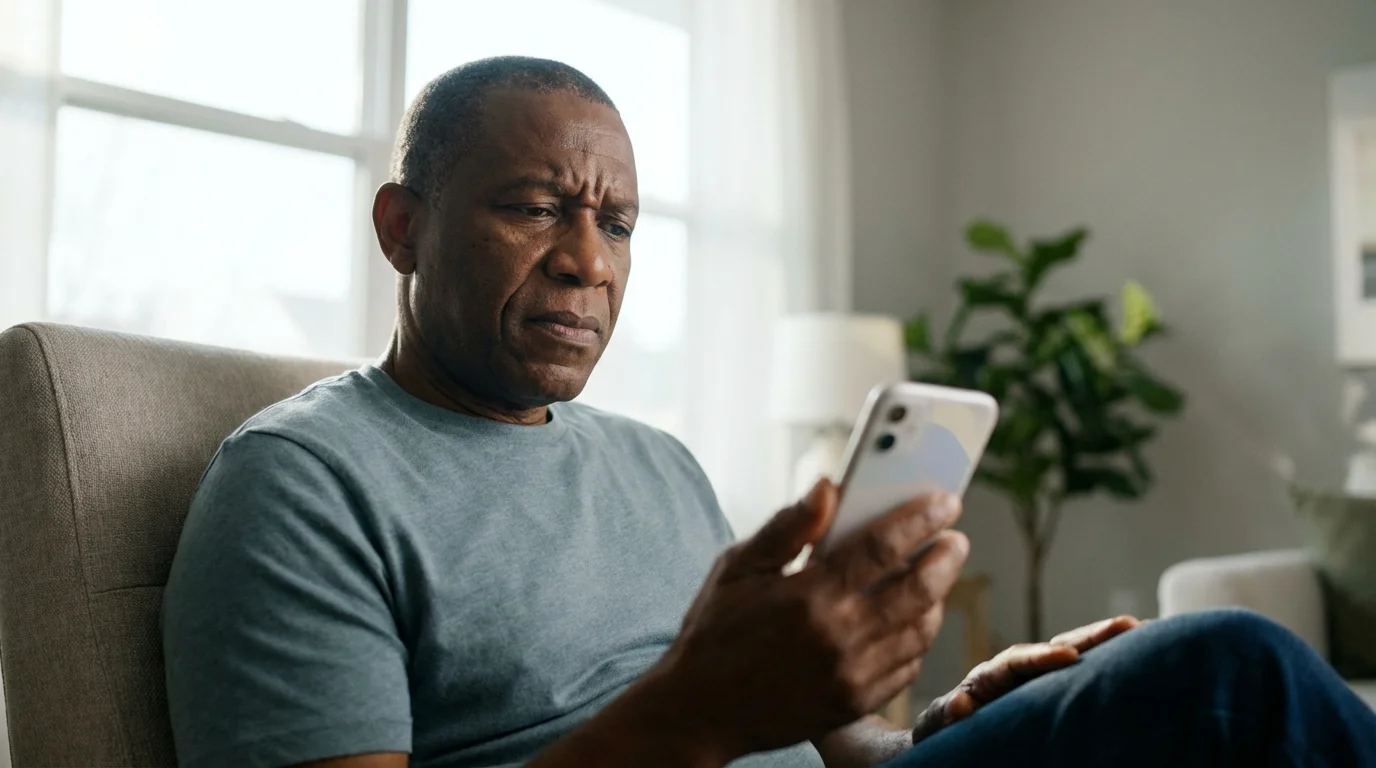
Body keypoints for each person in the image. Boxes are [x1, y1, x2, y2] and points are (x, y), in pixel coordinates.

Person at [161, 56, 1376, 768]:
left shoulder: (656, 466)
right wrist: (689, 716)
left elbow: (853, 756)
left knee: (1180, 695)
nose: (588, 260)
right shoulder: (302, 483)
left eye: (617, 222)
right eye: (536, 207)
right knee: (1233, 672)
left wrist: (960, 710)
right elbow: (705, 717)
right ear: (402, 227)